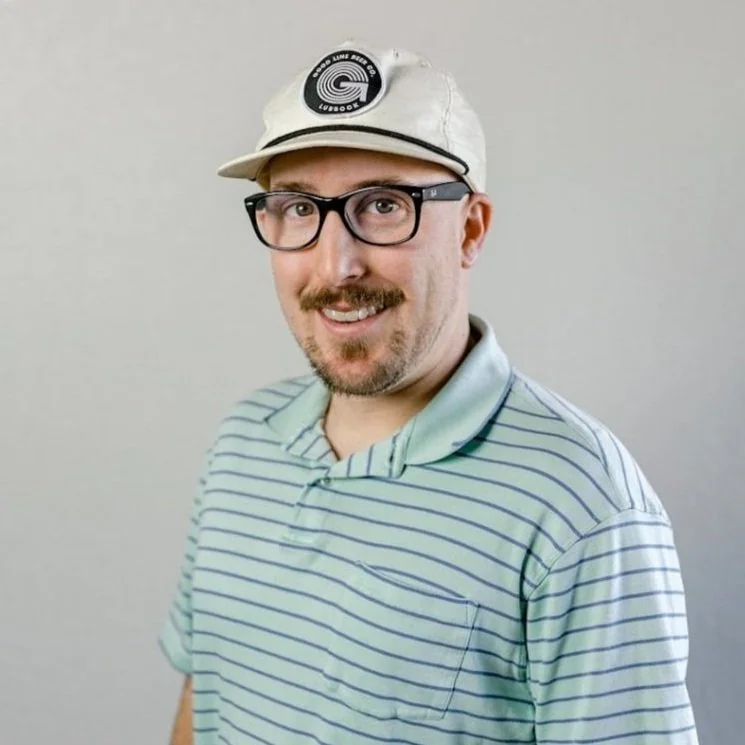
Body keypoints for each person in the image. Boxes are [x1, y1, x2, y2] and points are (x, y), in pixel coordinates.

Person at [160, 40, 698, 745]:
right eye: (298, 208)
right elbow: (203, 704)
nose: (337, 265)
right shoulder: (243, 444)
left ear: (470, 229)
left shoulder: (581, 505)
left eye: (383, 205)